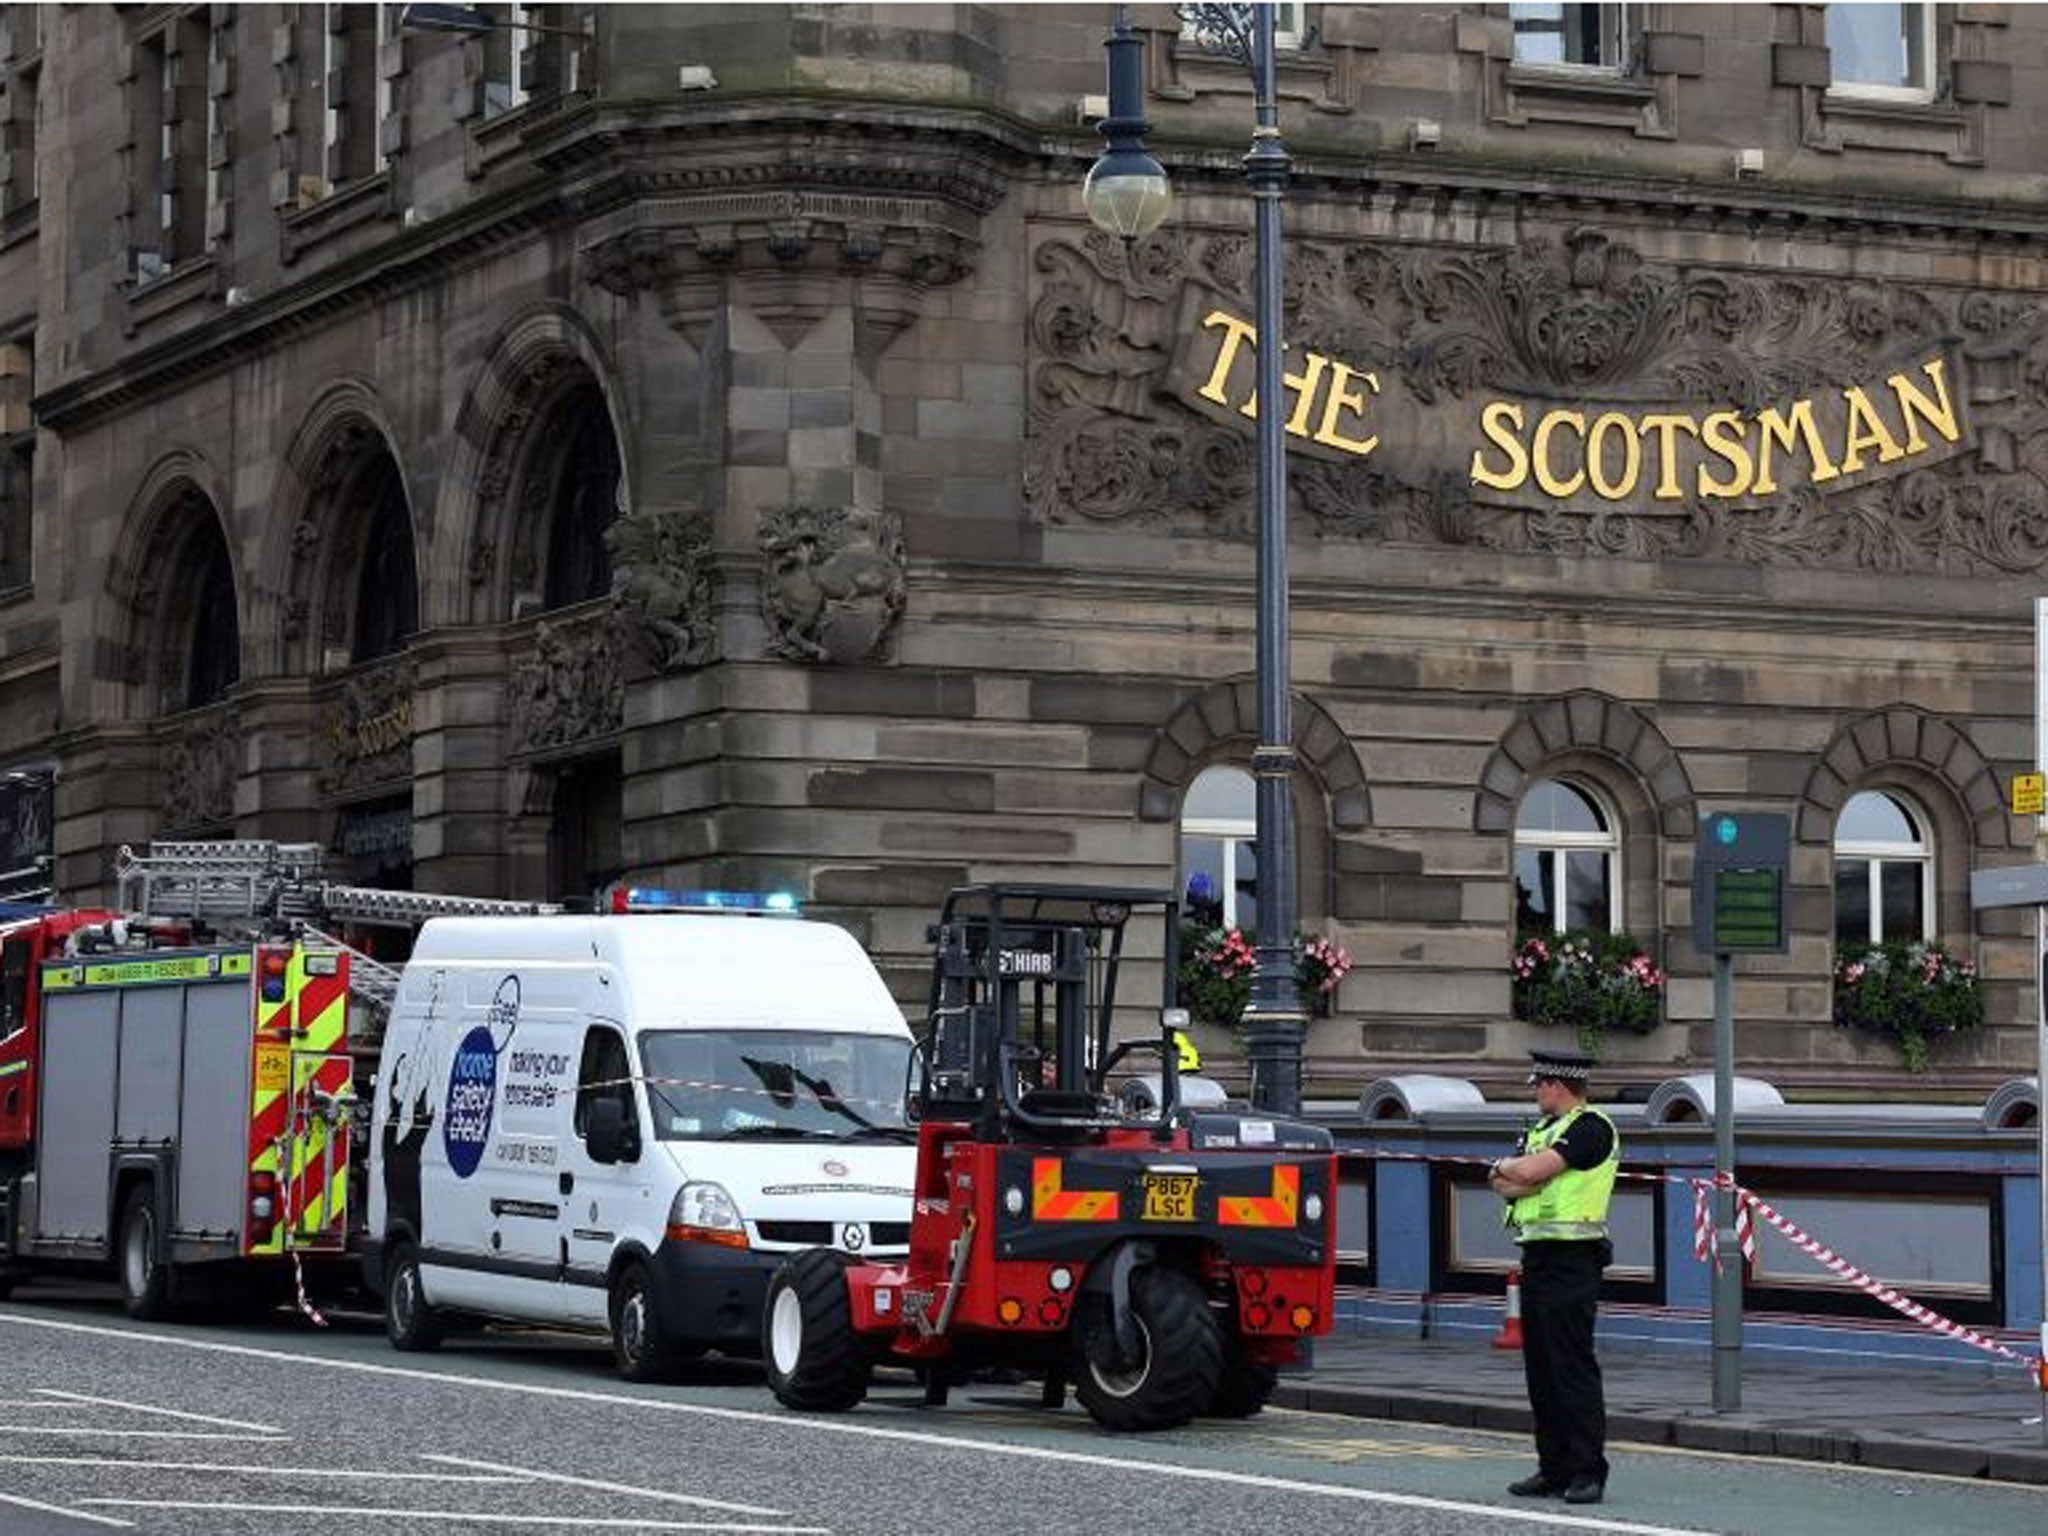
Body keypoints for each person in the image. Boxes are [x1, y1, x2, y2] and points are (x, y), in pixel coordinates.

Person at [1487, 1048, 1619, 1506]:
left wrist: (1513, 1170)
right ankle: (1553, 1467)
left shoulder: (1590, 1127)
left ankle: (1587, 1471)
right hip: (1538, 1257)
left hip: (1574, 1259)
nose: (1536, 1092)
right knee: (1541, 1370)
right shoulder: (1544, 1130)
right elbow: (1509, 1182)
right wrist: (1514, 1173)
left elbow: (1524, 1172)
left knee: (1571, 1367)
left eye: (1539, 1084)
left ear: (1556, 1085)